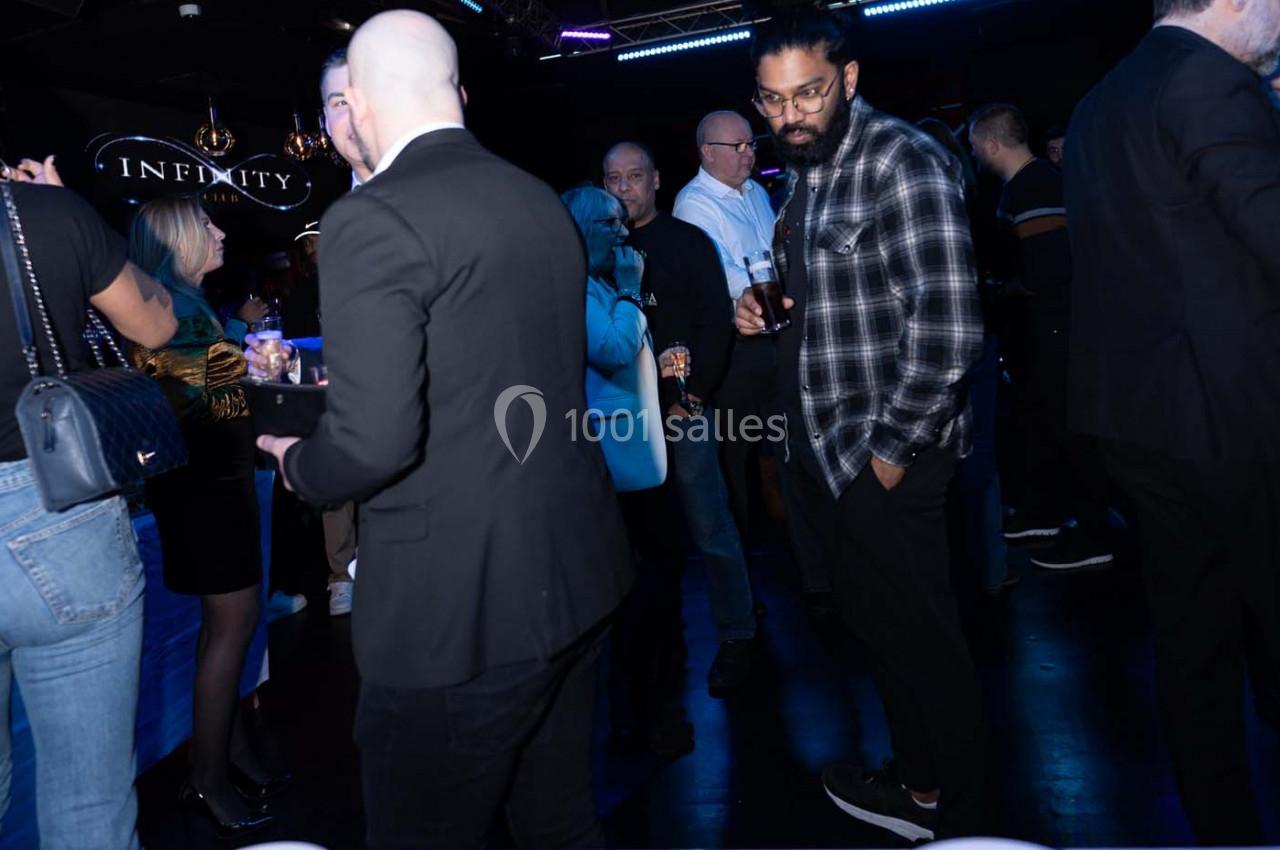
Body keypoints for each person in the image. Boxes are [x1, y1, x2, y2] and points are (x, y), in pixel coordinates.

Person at [256, 12, 631, 848]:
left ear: (352, 102)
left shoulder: (371, 216)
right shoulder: (535, 195)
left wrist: (296, 466)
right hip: (576, 575)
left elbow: (372, 443)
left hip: (457, 616)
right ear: (456, 92)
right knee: (560, 826)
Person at [738, 10, 986, 839]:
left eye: (808, 93)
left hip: (884, 454)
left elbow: (949, 330)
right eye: (772, 103)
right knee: (883, 636)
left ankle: (954, 809)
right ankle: (921, 786)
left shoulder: (902, 161)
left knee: (922, 643)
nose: (790, 116)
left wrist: (887, 454)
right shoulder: (808, 173)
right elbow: (844, 298)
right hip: (826, 449)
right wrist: (766, 308)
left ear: (847, 80)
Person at [1064, 0, 1280, 842]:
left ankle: (1223, 832)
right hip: (1239, 418)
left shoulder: (1098, 101)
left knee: (1194, 651)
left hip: (1144, 422)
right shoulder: (1210, 83)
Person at [0, 178, 176, 850]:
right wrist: (77, 224)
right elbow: (156, 327)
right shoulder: (42, 212)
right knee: (88, 804)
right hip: (51, 508)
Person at [128, 196, 277, 839]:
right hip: (208, 491)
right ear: (178, 238)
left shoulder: (177, 302)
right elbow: (210, 408)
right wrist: (254, 371)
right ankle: (207, 780)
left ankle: (230, 754)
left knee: (224, 631)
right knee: (231, 629)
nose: (219, 232)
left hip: (205, 488)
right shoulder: (174, 307)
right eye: (207, 225)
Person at [604, 141, 761, 694]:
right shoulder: (599, 251)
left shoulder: (686, 242)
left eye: (634, 177)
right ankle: (649, 651)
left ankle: (740, 638)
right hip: (626, 418)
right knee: (639, 539)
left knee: (710, 527)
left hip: (682, 410)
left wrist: (694, 397)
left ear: (656, 181)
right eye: (614, 179)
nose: (624, 188)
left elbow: (716, 325)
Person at [969, 103, 1112, 570]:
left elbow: (1046, 270)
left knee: (1069, 428)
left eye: (974, 144)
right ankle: (1045, 514)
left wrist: (1002, 288)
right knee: (1045, 422)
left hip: (1056, 325)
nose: (972, 152)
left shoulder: (1032, 188)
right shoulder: (1029, 185)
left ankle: (1094, 532)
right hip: (1053, 325)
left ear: (991, 144)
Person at [915, 117, 1013, 596]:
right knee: (979, 462)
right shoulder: (974, 202)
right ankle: (987, 571)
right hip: (975, 343)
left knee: (945, 464)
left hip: (940, 349)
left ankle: (960, 576)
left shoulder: (919, 207)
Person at [673, 111, 775, 552]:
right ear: (707, 153)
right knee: (737, 450)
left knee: (778, 442)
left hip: (772, 333)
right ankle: (745, 548)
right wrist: (770, 289)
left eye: (751, 144)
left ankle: (787, 538)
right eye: (738, 147)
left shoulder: (756, 193)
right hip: (733, 348)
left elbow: (774, 255)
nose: (749, 153)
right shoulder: (694, 202)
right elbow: (723, 274)